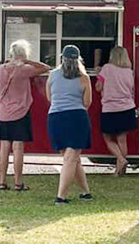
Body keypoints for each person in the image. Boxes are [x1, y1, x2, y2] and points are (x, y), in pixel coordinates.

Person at [0, 40, 50, 191]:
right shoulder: (24, 69)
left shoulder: (0, 68)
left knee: (4, 146)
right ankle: (18, 182)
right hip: (20, 112)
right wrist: (27, 61)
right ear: (22, 54)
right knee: (18, 148)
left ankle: (1, 182)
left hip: (2, 113)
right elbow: (46, 68)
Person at [46, 45, 93, 205]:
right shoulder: (84, 78)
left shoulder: (52, 75)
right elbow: (87, 102)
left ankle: (86, 192)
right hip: (76, 118)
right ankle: (61, 197)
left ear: (62, 58)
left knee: (72, 158)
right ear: (78, 59)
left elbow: (49, 98)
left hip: (55, 118)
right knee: (71, 159)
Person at [95, 46, 136, 176]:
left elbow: (98, 87)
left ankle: (121, 159)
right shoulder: (129, 71)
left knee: (108, 138)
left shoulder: (106, 68)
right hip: (127, 107)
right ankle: (120, 170)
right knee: (122, 139)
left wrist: (98, 73)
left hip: (110, 108)